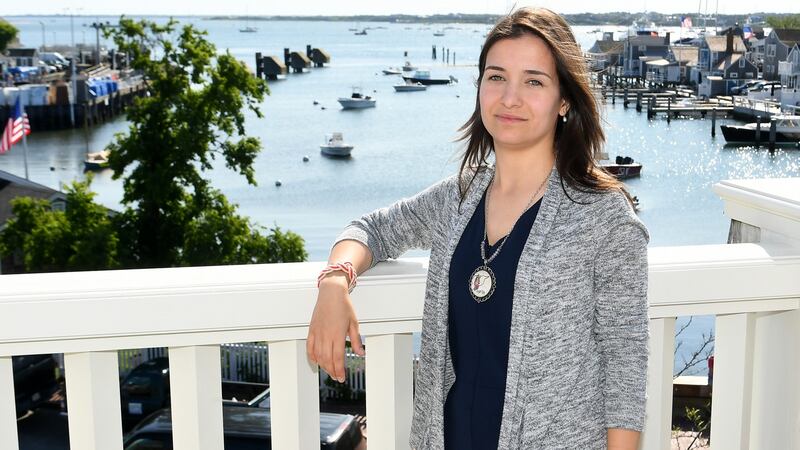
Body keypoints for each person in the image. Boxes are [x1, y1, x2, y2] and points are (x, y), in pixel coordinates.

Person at [307, 7, 649, 450]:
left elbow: (625, 372)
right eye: (496, 77)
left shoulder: (603, 218)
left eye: (533, 81)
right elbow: (371, 229)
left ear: (564, 100)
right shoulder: (458, 198)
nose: (510, 98)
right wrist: (336, 282)